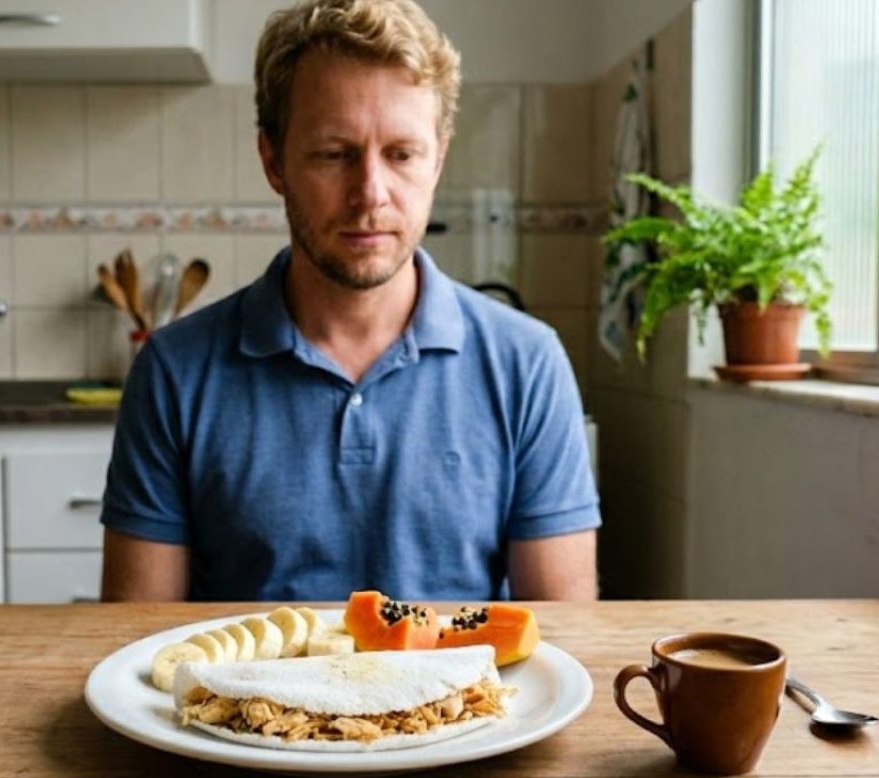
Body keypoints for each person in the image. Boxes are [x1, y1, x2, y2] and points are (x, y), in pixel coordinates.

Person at [100, 0, 599, 602]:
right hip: (245, 699)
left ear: (437, 159)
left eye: (401, 154)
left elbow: (559, 639)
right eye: (334, 154)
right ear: (273, 161)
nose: (370, 194)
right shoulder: (173, 371)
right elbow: (138, 644)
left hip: (464, 699)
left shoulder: (528, 363)